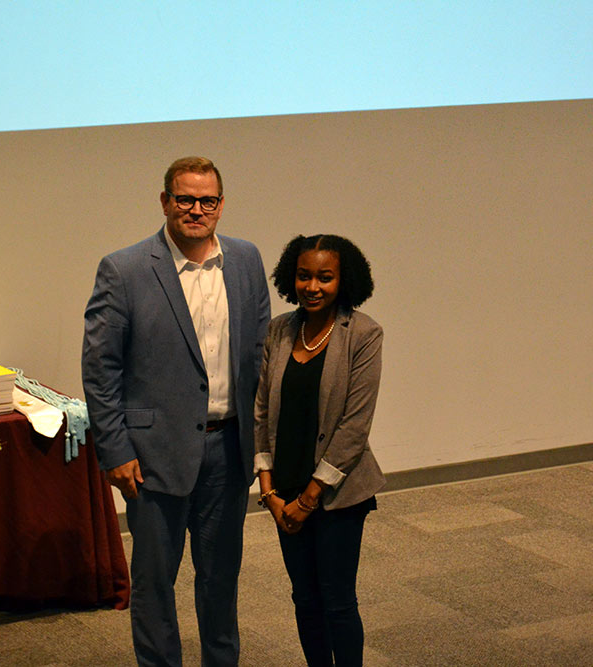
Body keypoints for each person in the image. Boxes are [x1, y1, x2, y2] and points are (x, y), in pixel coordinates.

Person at [82, 156, 270, 666]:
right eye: (185, 199)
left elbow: (259, 356)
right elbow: (101, 371)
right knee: (154, 585)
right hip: (152, 456)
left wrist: (263, 446)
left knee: (220, 581)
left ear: (221, 205)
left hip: (228, 450)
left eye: (207, 200)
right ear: (165, 201)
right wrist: (115, 449)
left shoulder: (247, 260)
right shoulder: (123, 269)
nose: (196, 209)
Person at [254, 234, 385, 667]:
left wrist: (309, 499)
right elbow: (262, 412)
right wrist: (270, 491)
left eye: (325, 278)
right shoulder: (280, 329)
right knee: (304, 598)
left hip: (335, 494)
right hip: (284, 489)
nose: (313, 287)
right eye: (304, 276)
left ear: (343, 281)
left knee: (337, 601)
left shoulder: (363, 333)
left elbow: (353, 428)